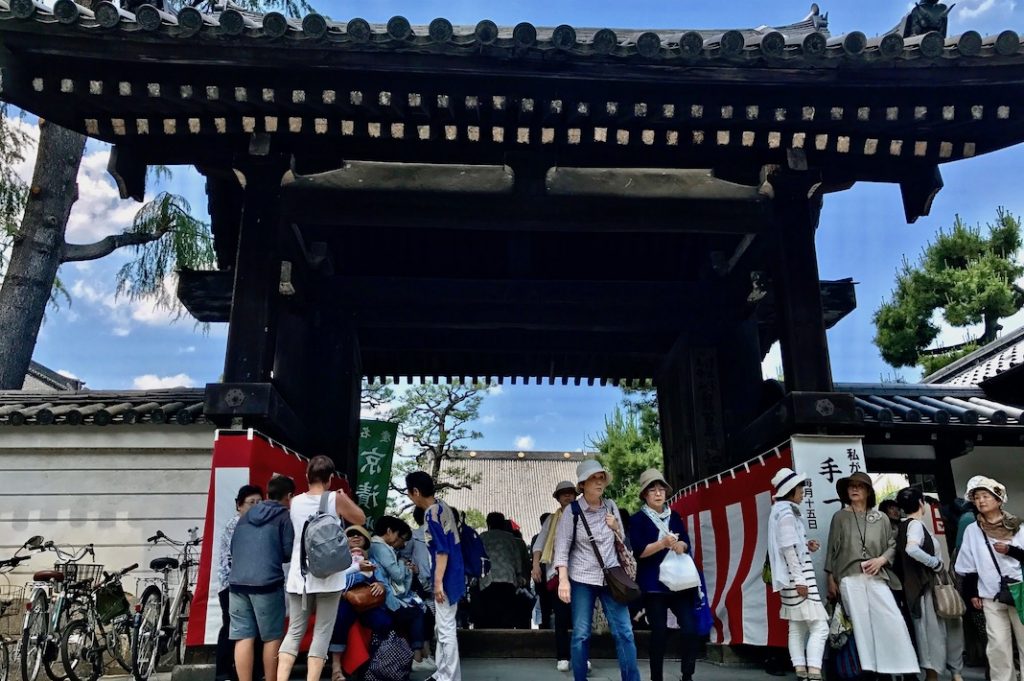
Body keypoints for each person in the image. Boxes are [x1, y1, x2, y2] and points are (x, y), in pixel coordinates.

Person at [277, 456, 366, 681]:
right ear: (331, 478)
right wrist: (342, 496)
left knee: (294, 632)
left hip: (301, 578)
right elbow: (360, 518)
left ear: (307, 477)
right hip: (329, 578)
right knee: (322, 634)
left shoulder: (295, 501)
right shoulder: (335, 499)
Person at [553, 459, 641, 681]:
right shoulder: (572, 512)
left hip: (612, 576)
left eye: (601, 478)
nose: (599, 482)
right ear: (582, 484)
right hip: (582, 578)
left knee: (625, 632)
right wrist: (563, 580)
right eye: (594, 478)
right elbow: (561, 548)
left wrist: (616, 527)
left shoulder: (611, 506)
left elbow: (623, 544)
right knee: (581, 634)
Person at [825, 471, 918, 676]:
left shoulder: (881, 517)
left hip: (877, 575)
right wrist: (830, 579)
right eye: (851, 486)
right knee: (861, 625)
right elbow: (832, 550)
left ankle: (902, 668)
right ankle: (868, 671)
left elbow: (892, 545)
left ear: (868, 491)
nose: (855, 489)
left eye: (859, 486)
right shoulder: (840, 517)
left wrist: (881, 560)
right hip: (849, 576)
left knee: (891, 619)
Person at [629, 469, 700, 681]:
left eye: (661, 489)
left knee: (689, 629)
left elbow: (686, 541)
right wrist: (662, 544)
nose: (658, 493)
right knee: (659, 633)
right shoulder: (638, 520)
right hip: (653, 584)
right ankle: (656, 677)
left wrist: (681, 545)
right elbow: (639, 552)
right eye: (653, 490)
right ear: (645, 494)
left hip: (680, 583)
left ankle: (687, 675)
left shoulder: (675, 516)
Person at [954, 475, 1024, 681]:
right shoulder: (972, 530)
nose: (981, 501)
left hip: (1019, 590)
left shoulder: (1017, 526)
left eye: (986, 496)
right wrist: (972, 592)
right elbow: (967, 564)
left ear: (999, 499)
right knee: (997, 645)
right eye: (977, 497)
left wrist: (1010, 550)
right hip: (990, 594)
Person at [893, 487, 964, 681]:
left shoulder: (902, 526)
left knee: (934, 632)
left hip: (924, 588)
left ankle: (937, 674)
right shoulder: (915, 525)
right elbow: (912, 549)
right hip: (930, 586)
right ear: (920, 504)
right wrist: (936, 563)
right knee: (941, 630)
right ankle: (952, 673)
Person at [228, 476, 295, 681]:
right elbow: (287, 552)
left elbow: (233, 548)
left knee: (243, 636)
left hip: (237, 583)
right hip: (267, 584)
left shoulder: (245, 516)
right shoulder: (284, 516)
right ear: (289, 496)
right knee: (272, 637)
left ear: (267, 495)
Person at [766, 468, 828, 681]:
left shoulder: (781, 510)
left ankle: (802, 670)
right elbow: (788, 548)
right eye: (800, 488)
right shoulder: (785, 513)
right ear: (791, 490)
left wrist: (806, 544)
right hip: (798, 575)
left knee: (797, 626)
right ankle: (814, 671)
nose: (803, 491)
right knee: (819, 626)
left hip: (790, 577)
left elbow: (790, 545)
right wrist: (800, 579)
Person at [406, 470, 465, 681]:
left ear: (416, 491)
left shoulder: (432, 513)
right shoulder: (443, 507)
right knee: (443, 627)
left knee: (446, 629)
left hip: (446, 576)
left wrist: (438, 582)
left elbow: (442, 550)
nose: (410, 498)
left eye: (409, 493)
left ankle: (448, 676)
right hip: (455, 573)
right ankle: (444, 673)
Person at [329, 525, 390, 681]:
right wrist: (357, 570)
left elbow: (384, 583)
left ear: (366, 540)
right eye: (351, 535)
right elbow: (334, 581)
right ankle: (336, 667)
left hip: (366, 602)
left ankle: (376, 666)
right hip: (346, 600)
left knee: (384, 622)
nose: (355, 537)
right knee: (340, 618)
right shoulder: (338, 560)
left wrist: (380, 585)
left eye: (359, 535)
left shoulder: (373, 561)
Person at [217, 485, 263, 681]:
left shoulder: (257, 525)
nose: (255, 506)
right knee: (231, 628)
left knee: (254, 630)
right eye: (251, 503)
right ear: (239, 506)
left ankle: (250, 673)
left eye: (260, 503)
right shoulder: (237, 524)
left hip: (250, 586)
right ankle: (223, 673)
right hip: (232, 586)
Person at [373, 516, 431, 670]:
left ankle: (422, 655)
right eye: (401, 538)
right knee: (417, 613)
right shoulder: (380, 547)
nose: (403, 544)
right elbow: (397, 575)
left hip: (393, 594)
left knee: (420, 612)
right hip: (388, 598)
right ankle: (418, 657)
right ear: (389, 531)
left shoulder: (382, 547)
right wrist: (403, 564)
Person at [533, 480, 578, 671]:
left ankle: (581, 656)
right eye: (563, 493)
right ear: (558, 498)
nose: (567, 496)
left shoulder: (582, 515)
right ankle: (563, 656)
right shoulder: (552, 520)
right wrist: (535, 565)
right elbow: (539, 544)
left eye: (570, 493)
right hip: (557, 575)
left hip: (580, 573)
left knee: (580, 618)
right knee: (560, 617)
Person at [478, 512, 527, 628]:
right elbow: (516, 558)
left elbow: (478, 558)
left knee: (489, 612)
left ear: (488, 523)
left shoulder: (482, 537)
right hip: (508, 578)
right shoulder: (510, 538)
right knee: (507, 611)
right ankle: (506, 636)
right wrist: (519, 574)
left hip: (487, 579)